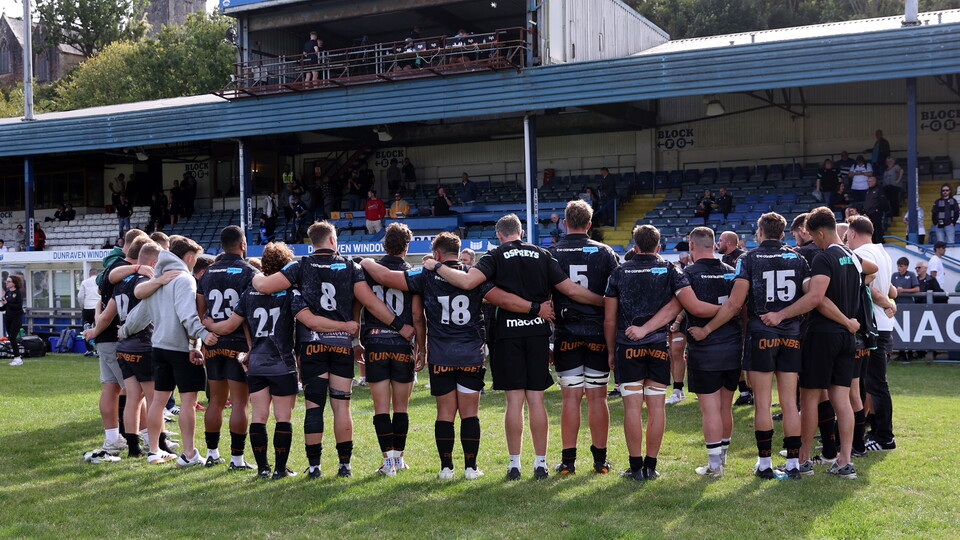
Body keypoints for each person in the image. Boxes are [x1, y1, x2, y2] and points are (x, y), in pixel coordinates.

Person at [423, 214, 603, 480]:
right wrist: (603, 302)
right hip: (538, 333)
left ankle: (514, 465)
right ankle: (540, 464)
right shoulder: (542, 254)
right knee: (536, 399)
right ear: (521, 232)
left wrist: (435, 265)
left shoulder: (494, 256)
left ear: (499, 235)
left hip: (508, 334)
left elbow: (468, 282)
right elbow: (572, 290)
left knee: (514, 401)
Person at [363, 232, 553, 480]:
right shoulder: (474, 275)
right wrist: (535, 308)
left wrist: (366, 262)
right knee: (470, 413)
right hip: (470, 353)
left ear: (437, 254)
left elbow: (384, 277)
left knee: (445, 413)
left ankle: (446, 468)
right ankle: (471, 468)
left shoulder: (425, 274)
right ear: (457, 250)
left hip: (441, 354)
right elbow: (502, 299)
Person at [252, 221, 415, 479]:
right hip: (341, 345)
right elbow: (371, 302)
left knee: (314, 407)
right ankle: (344, 466)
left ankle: (315, 467)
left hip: (312, 345)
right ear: (332, 240)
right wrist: (398, 325)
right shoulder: (350, 266)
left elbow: (263, 286)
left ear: (312, 242)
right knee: (342, 406)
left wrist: (253, 274)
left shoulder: (299, 266)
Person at [757, 206, 878, 480]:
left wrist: (781, 314)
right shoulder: (852, 256)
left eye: (813, 236)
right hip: (847, 338)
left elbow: (816, 298)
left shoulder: (824, 257)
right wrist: (848, 320)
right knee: (841, 399)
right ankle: (844, 461)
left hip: (823, 335)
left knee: (809, 399)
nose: (813, 241)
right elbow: (869, 275)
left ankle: (803, 460)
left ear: (821, 233)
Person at [691, 213, 811, 479]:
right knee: (790, 404)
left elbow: (735, 304)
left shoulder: (749, 258)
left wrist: (708, 329)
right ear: (782, 233)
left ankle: (765, 464)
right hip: (791, 334)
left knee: (763, 404)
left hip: (761, 333)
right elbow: (812, 295)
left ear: (760, 232)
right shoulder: (798, 258)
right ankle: (793, 464)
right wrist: (786, 315)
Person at [603, 224, 720, 480]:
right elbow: (683, 304)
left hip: (627, 346)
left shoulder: (619, 272)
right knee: (656, 407)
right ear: (659, 246)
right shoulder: (670, 269)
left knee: (632, 408)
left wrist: (611, 351)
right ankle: (651, 466)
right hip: (658, 346)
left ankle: (635, 468)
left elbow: (609, 319)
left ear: (635, 247)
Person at [203, 242, 302, 479]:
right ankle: (280, 470)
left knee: (259, 416)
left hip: (256, 361)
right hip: (282, 362)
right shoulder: (292, 292)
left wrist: (208, 324)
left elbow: (229, 326)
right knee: (283, 417)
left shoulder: (249, 293)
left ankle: (262, 469)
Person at [121, 235, 220, 466]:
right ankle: (189, 454)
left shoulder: (158, 279)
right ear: (190, 257)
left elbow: (140, 313)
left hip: (158, 347)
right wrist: (203, 334)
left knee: (157, 401)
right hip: (179, 349)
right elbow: (187, 315)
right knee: (188, 401)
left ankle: (154, 451)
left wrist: (124, 331)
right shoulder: (184, 279)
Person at [546, 200, 620, 476]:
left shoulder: (552, 253)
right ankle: (600, 461)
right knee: (598, 398)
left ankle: (568, 462)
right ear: (589, 224)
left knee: (570, 399)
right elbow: (615, 295)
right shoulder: (605, 252)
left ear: (565, 223)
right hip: (598, 333)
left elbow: (545, 299)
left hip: (566, 333)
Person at [354, 223, 423, 476]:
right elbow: (417, 316)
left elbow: (358, 305)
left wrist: (356, 341)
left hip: (375, 342)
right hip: (402, 343)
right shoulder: (412, 274)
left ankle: (388, 462)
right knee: (401, 407)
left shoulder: (369, 271)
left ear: (384, 244)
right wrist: (422, 347)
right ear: (407, 246)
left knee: (381, 408)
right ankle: (399, 459)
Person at [679, 227, 740, 478]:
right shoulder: (732, 271)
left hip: (705, 349)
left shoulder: (688, 273)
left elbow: (694, 308)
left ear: (692, 246)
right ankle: (722, 458)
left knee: (711, 409)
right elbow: (740, 308)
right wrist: (729, 309)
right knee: (726, 407)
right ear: (714, 245)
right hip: (733, 346)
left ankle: (715, 466)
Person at [195, 226, 257, 469]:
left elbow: (200, 312)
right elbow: (250, 314)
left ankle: (212, 454)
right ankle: (237, 459)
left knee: (215, 401)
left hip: (213, 342)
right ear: (243, 244)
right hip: (238, 343)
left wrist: (206, 334)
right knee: (240, 402)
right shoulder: (250, 272)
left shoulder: (207, 272)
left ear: (221, 246)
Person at [83, 228, 149, 457]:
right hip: (117, 337)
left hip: (107, 336)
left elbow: (101, 300)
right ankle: (148, 438)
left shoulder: (112, 267)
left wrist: (96, 328)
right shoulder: (124, 270)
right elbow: (110, 301)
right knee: (136, 392)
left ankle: (113, 439)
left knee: (111, 388)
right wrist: (97, 328)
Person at [846, 216, 897, 453]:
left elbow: (869, 287)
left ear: (853, 233)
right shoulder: (883, 252)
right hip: (882, 324)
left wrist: (886, 302)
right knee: (871, 383)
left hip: (873, 324)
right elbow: (890, 289)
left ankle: (884, 437)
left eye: (847, 236)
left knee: (875, 383)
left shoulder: (862, 253)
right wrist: (889, 302)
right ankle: (874, 431)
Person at [1, 274, 24, 366]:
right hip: (8, 317)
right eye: (6, 281)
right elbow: (5, 307)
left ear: (14, 283)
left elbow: (18, 306)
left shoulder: (18, 293)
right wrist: (3, 305)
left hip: (16, 317)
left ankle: (17, 358)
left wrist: (7, 303)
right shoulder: (7, 293)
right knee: (10, 337)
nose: (7, 283)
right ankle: (16, 357)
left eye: (9, 281)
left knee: (13, 337)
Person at [77, 268, 101, 356]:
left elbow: (80, 296)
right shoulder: (100, 281)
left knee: (86, 328)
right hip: (98, 307)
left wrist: (82, 306)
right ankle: (98, 350)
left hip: (87, 308)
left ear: (89, 274)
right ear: (97, 274)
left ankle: (89, 349)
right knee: (99, 328)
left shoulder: (84, 282)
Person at [862, 175, 888, 243]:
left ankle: (880, 241)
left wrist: (877, 209)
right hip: (868, 213)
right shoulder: (868, 191)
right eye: (868, 181)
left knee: (877, 228)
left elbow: (883, 201)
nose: (869, 183)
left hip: (876, 213)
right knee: (870, 229)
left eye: (870, 181)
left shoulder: (879, 190)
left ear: (874, 181)